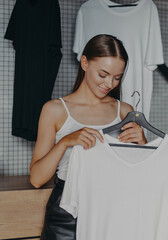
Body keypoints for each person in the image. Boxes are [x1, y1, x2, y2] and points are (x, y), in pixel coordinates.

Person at [29, 34, 147, 239]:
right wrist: (66, 142)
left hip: (114, 208)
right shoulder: (55, 110)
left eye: (117, 77)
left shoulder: (124, 111)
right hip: (66, 214)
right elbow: (37, 179)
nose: (109, 83)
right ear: (84, 63)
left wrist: (143, 143)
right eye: (103, 74)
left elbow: (140, 173)